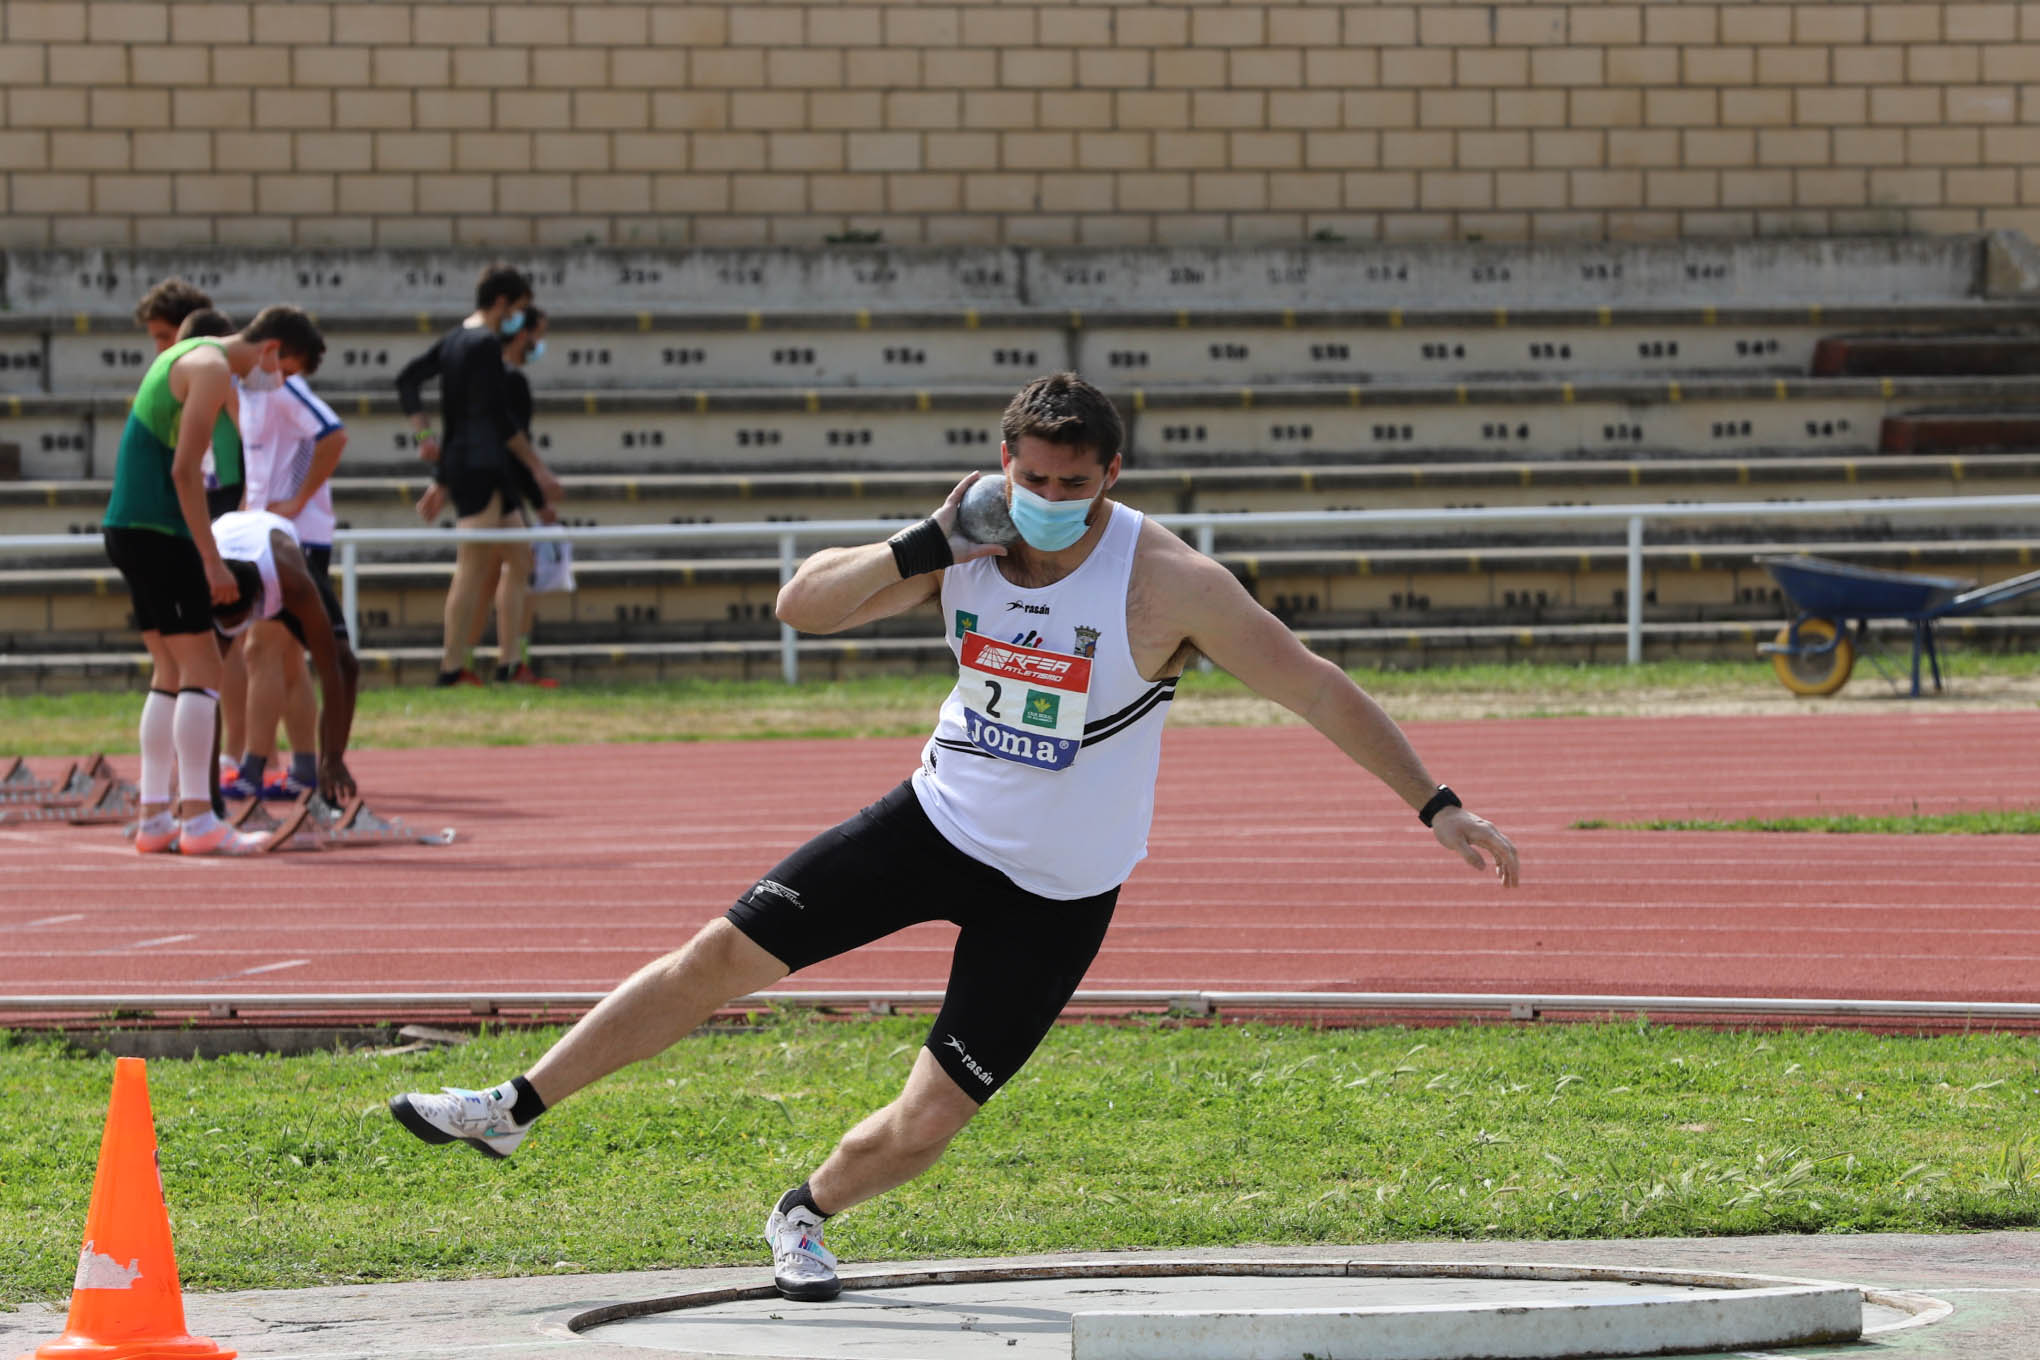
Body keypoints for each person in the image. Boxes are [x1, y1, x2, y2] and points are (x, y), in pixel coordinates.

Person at [387, 373, 1520, 1302]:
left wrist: (1437, 803)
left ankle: (804, 1213)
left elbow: (1316, 689)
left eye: (1072, 485)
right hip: (933, 821)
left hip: (1060, 889)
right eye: (1030, 478)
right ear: (1003, 464)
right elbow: (803, 607)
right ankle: (512, 1108)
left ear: (1111, 477)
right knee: (716, 957)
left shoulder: (1170, 582)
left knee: (930, 1120)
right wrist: (926, 539)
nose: (1046, 499)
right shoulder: (968, 535)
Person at [104, 306, 326, 855]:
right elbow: (185, 470)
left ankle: (156, 816)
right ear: (269, 349)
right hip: (157, 526)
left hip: (128, 524)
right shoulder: (209, 367)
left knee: (169, 670)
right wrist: (210, 558)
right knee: (203, 667)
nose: (274, 384)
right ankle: (199, 820)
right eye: (282, 371)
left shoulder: (186, 355)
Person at [393, 264, 562, 686]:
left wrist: (425, 434)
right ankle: (451, 669)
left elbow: (408, 380)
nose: (518, 319)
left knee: (520, 560)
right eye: (518, 309)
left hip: (485, 470)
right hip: (480, 468)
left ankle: (508, 662)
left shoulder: (455, 339)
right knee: (471, 567)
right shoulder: (484, 344)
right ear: (502, 303)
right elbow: (497, 419)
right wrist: (539, 470)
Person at [226, 354, 350, 798]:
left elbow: (334, 437)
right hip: (265, 535)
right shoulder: (249, 394)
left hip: (294, 541)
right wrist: (248, 510)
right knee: (287, 661)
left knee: (261, 650)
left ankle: (252, 772)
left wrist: (296, 501)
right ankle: (302, 771)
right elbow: (263, 469)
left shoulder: (282, 389)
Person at [209, 509, 360, 807]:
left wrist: (333, 758)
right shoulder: (202, 584)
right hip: (221, 558)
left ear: (257, 604)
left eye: (238, 622)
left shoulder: (295, 585)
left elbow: (331, 671)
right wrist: (204, 786)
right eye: (228, 627)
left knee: (346, 663)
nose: (235, 632)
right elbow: (199, 693)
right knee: (199, 683)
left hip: (278, 551)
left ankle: (323, 778)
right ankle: (207, 793)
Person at [465, 304, 558, 686]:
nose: (540, 343)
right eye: (539, 334)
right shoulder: (511, 381)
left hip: (478, 481)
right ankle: (510, 662)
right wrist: (538, 497)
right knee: (519, 566)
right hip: (501, 487)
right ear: (522, 335)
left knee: (485, 575)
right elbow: (512, 445)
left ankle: (462, 663)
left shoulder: (484, 377)